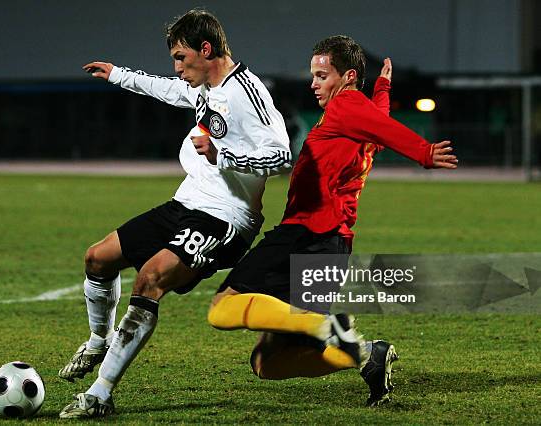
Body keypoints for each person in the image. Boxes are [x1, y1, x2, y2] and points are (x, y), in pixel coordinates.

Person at [58, 9, 291, 418]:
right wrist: (116, 74)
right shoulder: (203, 87)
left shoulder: (247, 93)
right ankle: (98, 341)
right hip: (186, 203)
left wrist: (225, 156)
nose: (178, 68)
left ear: (207, 49)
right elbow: (165, 89)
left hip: (225, 219)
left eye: (181, 58)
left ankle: (100, 394)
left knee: (150, 278)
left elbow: (281, 156)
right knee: (98, 258)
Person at [206, 35, 458, 407]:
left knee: (223, 307)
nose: (314, 83)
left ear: (348, 76)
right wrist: (384, 88)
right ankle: (366, 353)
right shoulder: (356, 113)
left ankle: (329, 328)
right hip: (332, 244)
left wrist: (423, 152)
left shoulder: (346, 106)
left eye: (322, 75)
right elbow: (379, 122)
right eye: (313, 75)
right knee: (267, 362)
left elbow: (384, 128)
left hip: (305, 233)